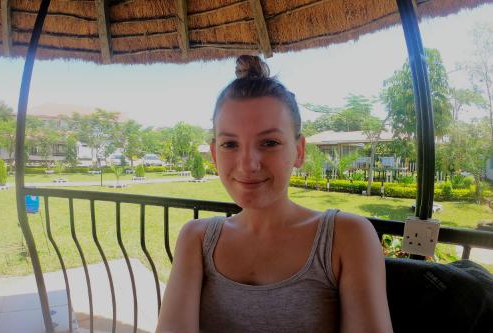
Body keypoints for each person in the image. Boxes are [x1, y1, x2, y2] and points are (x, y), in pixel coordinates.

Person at [157, 55, 393, 333]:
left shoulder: (346, 237)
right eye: (230, 144)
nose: (247, 164)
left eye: (269, 142)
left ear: (299, 151)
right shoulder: (196, 239)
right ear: (213, 154)